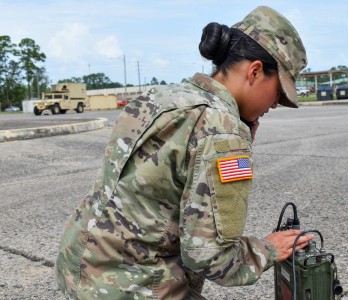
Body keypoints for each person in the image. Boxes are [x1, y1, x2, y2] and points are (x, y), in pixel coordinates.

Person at [55, 6, 314, 299]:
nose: (276, 103)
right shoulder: (222, 128)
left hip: (81, 265)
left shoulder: (163, 96)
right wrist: (268, 249)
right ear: (255, 71)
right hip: (132, 285)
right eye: (278, 91)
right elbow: (211, 256)